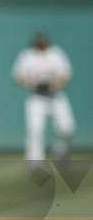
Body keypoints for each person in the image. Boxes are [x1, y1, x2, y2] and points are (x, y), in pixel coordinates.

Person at [12, 33, 75, 161]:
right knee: (35, 131)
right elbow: (18, 75)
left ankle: (60, 150)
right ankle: (35, 162)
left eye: (43, 40)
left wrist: (55, 82)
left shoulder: (56, 54)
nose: (41, 43)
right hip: (36, 97)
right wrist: (30, 82)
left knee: (67, 128)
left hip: (55, 96)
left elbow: (66, 74)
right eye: (38, 41)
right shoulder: (28, 55)